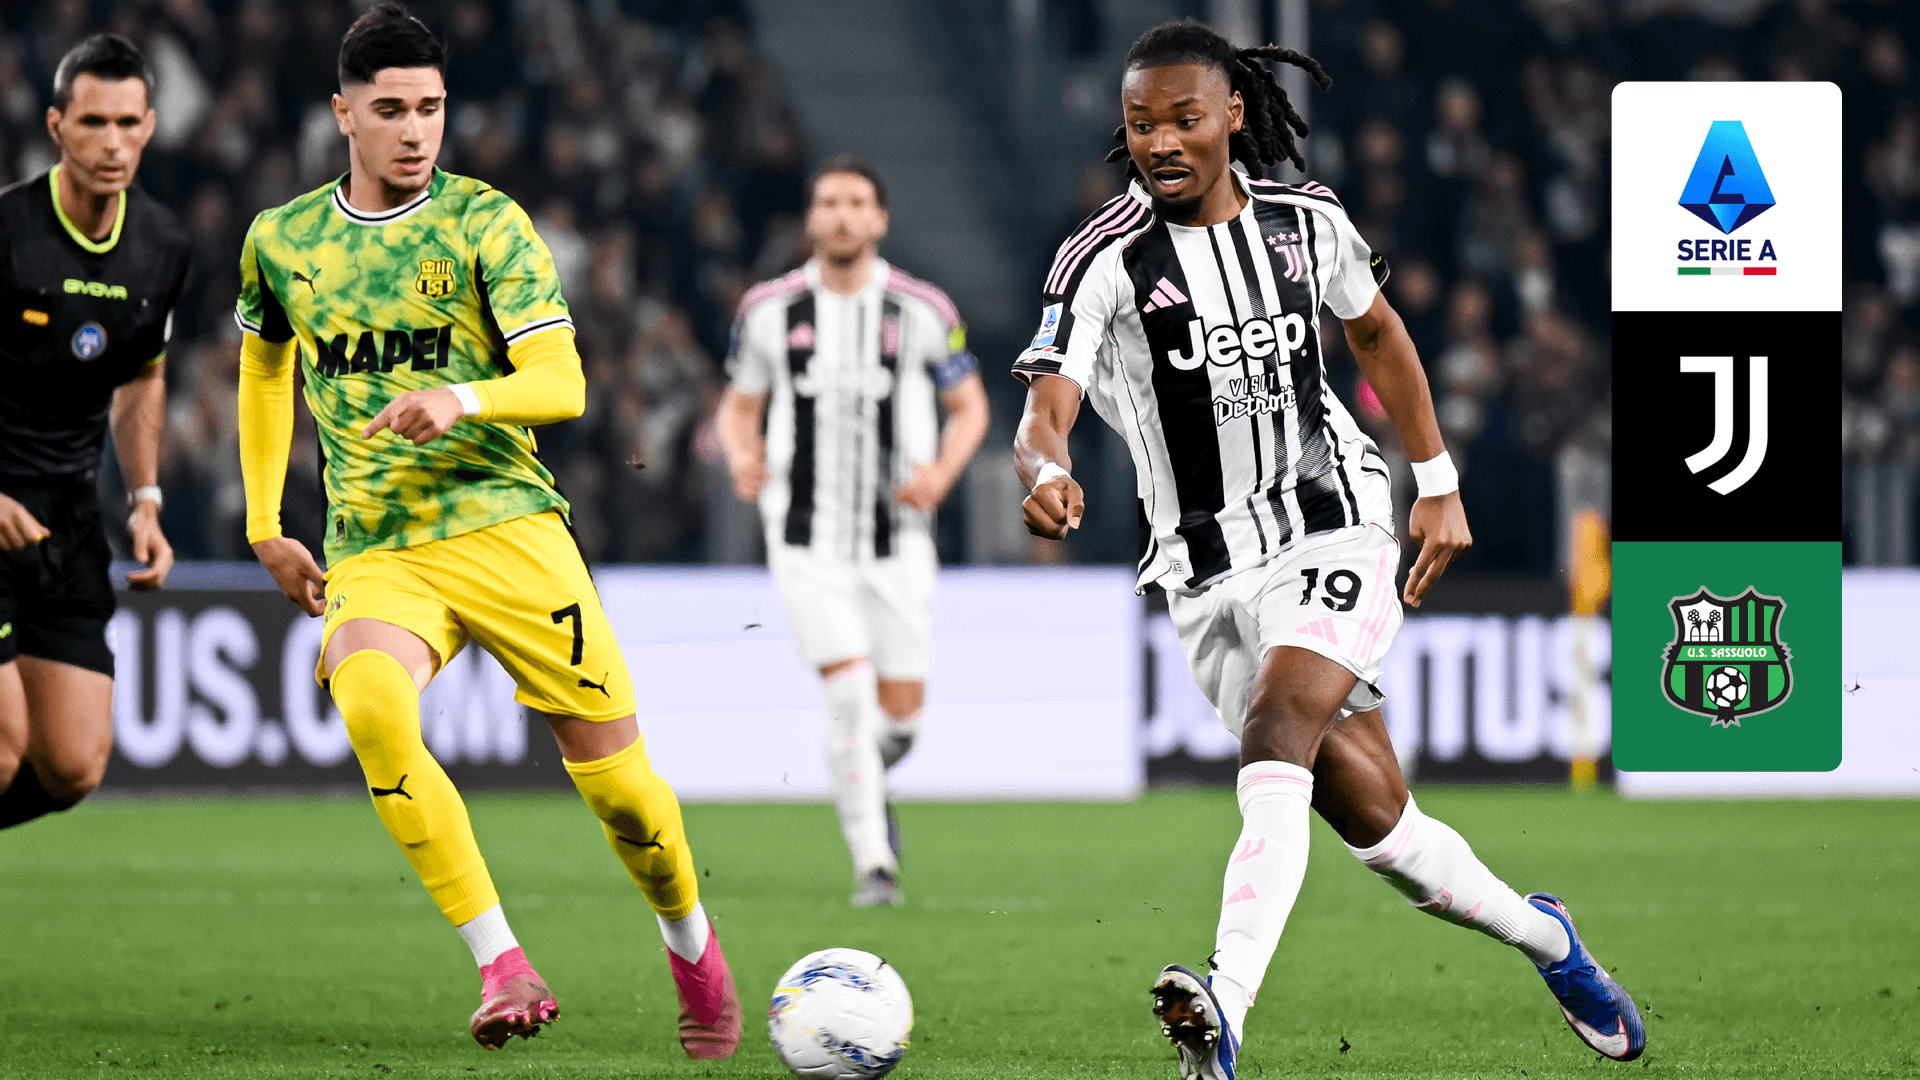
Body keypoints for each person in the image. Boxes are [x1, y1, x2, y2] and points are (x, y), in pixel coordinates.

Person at [1010, 20, 1644, 1079]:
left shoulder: (1308, 222)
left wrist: (1435, 480)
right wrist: (1044, 470)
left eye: (1182, 119)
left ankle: (1225, 1006)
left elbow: (1378, 331)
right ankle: (1549, 939)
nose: (1160, 142)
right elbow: (1046, 408)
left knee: (1278, 723)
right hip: (1202, 570)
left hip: (1331, 519)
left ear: (1232, 115)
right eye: (1140, 124)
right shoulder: (1103, 259)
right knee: (1386, 833)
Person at [234, 5, 739, 1055]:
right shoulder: (282, 241)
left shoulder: (484, 223)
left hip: (509, 526)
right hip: (379, 546)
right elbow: (264, 365)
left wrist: (461, 399)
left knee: (628, 800)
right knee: (372, 707)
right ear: (343, 114)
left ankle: (690, 940)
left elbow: (562, 380)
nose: (415, 130)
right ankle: (502, 964)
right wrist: (264, 520)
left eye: (430, 107)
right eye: (390, 110)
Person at [716, 155, 990, 907]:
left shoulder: (922, 308)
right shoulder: (768, 309)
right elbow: (739, 406)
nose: (842, 216)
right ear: (811, 219)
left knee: (901, 722)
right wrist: (741, 455)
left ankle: (862, 779)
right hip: (805, 541)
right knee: (846, 692)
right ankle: (875, 863)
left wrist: (941, 474)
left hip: (899, 539)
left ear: (880, 218)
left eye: (857, 203)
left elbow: (970, 406)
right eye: (829, 202)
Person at [0, 34, 182, 832]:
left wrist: (144, 498)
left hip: (67, 519)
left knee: (71, 764)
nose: (112, 142)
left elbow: (142, 378)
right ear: (56, 127)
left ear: (150, 128)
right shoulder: (7, 231)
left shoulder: (162, 248)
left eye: (128, 123)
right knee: (1, 749)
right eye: (93, 122)